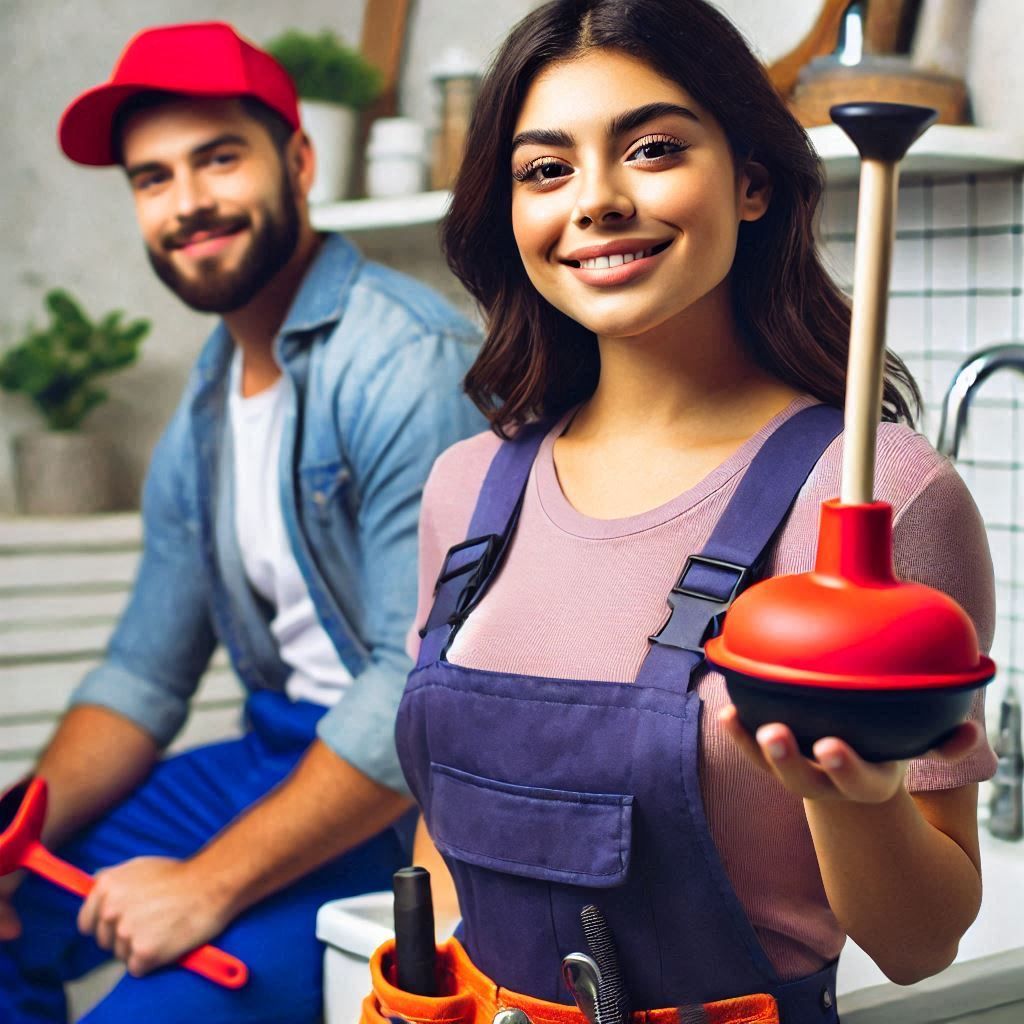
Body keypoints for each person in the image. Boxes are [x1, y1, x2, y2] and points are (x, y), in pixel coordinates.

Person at [378, 2, 1000, 1023]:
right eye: (546, 170)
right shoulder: (467, 488)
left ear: (752, 180)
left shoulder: (877, 497)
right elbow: (448, 829)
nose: (597, 200)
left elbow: (919, 943)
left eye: (653, 148)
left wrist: (856, 801)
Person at [0, 21, 484, 1024]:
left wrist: (207, 884)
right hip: (269, 758)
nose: (189, 203)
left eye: (219, 159)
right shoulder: (207, 403)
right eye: (154, 177)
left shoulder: (405, 359)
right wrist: (11, 833)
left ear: (298, 161)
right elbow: (142, 672)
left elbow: (419, 689)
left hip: (405, 805)